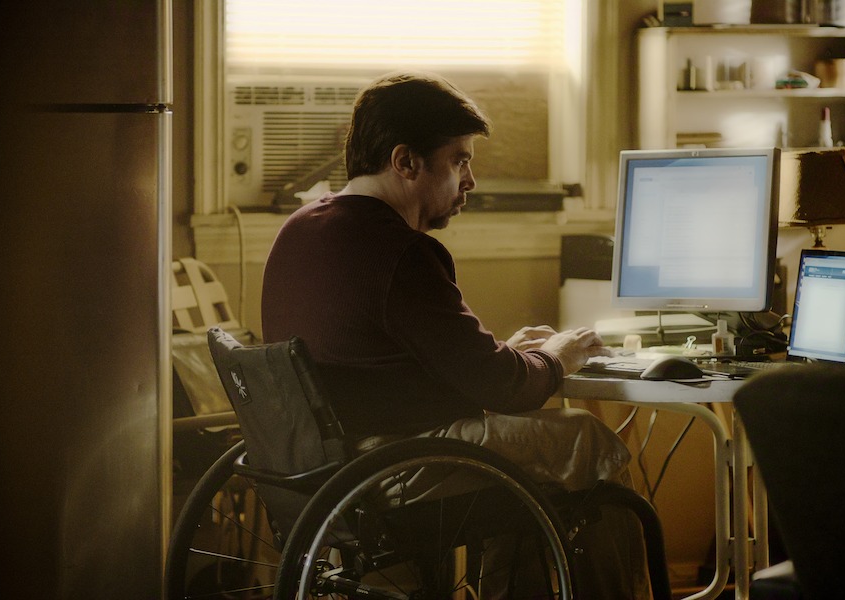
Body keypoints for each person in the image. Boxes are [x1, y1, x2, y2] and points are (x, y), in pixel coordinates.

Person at [261, 71, 647, 598]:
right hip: (398, 461)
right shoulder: (401, 251)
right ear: (405, 162)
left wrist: (505, 356)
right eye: (460, 160)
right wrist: (554, 358)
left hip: (324, 460)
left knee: (533, 440)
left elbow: (390, 359)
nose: (470, 180)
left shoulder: (301, 228)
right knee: (584, 440)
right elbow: (502, 388)